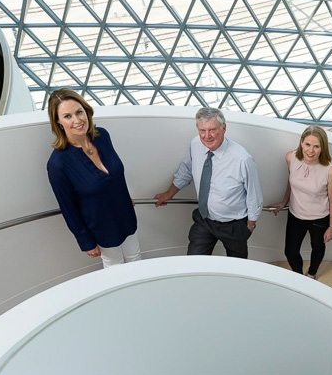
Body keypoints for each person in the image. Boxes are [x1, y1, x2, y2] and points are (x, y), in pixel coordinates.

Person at [46, 88, 141, 268]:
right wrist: (85, 241)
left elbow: (116, 175)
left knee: (135, 258)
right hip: (101, 225)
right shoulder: (58, 164)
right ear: (58, 121)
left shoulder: (102, 135)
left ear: (86, 111)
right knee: (115, 268)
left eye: (79, 112)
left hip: (124, 213)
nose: (77, 120)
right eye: (67, 116)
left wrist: (125, 197)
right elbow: (68, 207)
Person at [154, 107, 262, 258]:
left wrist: (250, 226)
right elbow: (186, 170)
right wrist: (169, 194)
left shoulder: (242, 159)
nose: (207, 136)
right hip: (204, 220)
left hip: (233, 225)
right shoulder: (195, 144)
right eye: (202, 131)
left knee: (237, 266)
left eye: (212, 130)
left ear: (224, 128)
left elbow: (254, 196)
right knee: (194, 261)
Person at [270, 126, 332, 279]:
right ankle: (299, 277)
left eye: (316, 146)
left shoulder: (331, 170)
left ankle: (312, 273)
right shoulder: (291, 158)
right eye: (308, 144)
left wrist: (331, 227)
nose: (311, 150)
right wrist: (284, 202)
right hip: (295, 215)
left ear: (323, 148)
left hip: (319, 219)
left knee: (318, 247)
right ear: (301, 142)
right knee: (290, 252)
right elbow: (291, 183)